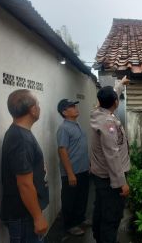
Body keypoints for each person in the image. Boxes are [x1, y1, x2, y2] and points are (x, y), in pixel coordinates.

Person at [1, 89, 49, 243]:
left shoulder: (21, 133)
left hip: (25, 214)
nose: (39, 108)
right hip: (24, 217)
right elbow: (25, 184)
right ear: (32, 109)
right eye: (38, 105)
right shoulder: (21, 139)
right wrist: (38, 217)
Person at [90, 76, 130, 243]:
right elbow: (112, 155)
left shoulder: (97, 112)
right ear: (115, 103)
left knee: (101, 210)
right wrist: (122, 183)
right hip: (110, 180)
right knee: (111, 216)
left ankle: (100, 237)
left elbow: (107, 98)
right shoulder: (108, 123)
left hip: (100, 177)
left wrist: (119, 85)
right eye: (116, 98)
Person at [56, 99, 90, 236]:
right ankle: (69, 225)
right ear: (64, 112)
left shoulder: (76, 125)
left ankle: (79, 219)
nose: (75, 108)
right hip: (72, 172)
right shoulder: (64, 128)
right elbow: (62, 151)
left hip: (83, 170)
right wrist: (70, 173)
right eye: (71, 107)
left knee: (82, 197)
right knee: (70, 199)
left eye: (75, 105)